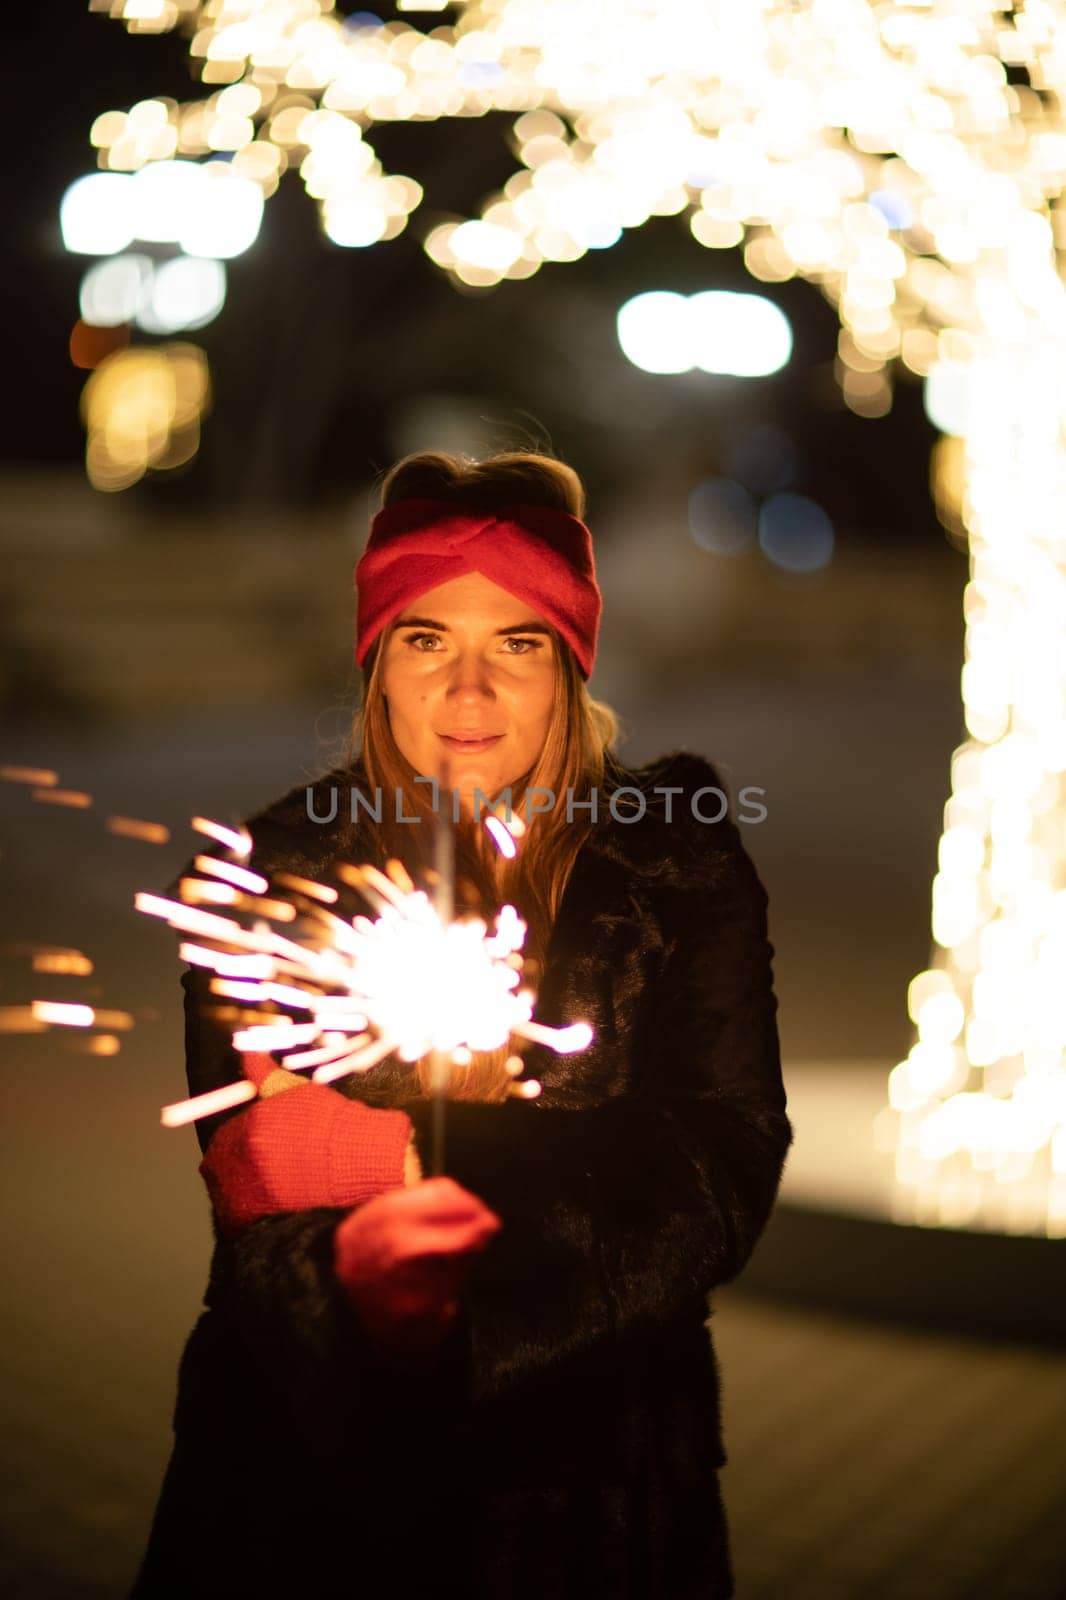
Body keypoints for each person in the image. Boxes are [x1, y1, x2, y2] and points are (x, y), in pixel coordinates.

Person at [129, 449, 793, 1599]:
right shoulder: (267, 881)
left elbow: (715, 1170)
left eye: (517, 644)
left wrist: (395, 1155)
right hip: (302, 1497)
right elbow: (256, 1207)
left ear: (571, 668)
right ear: (378, 660)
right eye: (427, 639)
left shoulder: (672, 867)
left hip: (592, 1496)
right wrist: (361, 1279)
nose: (469, 693)